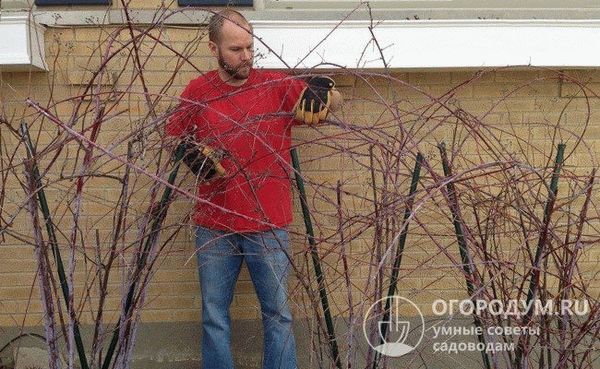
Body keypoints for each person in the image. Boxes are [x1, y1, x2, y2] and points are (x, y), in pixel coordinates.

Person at [165, 9, 342, 369]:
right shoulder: (198, 92)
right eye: (236, 49)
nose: (246, 56)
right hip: (214, 226)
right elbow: (171, 133)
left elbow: (335, 103)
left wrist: (324, 95)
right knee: (214, 315)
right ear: (213, 48)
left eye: (250, 47)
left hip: (269, 223)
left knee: (278, 315)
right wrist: (186, 152)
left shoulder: (274, 85)